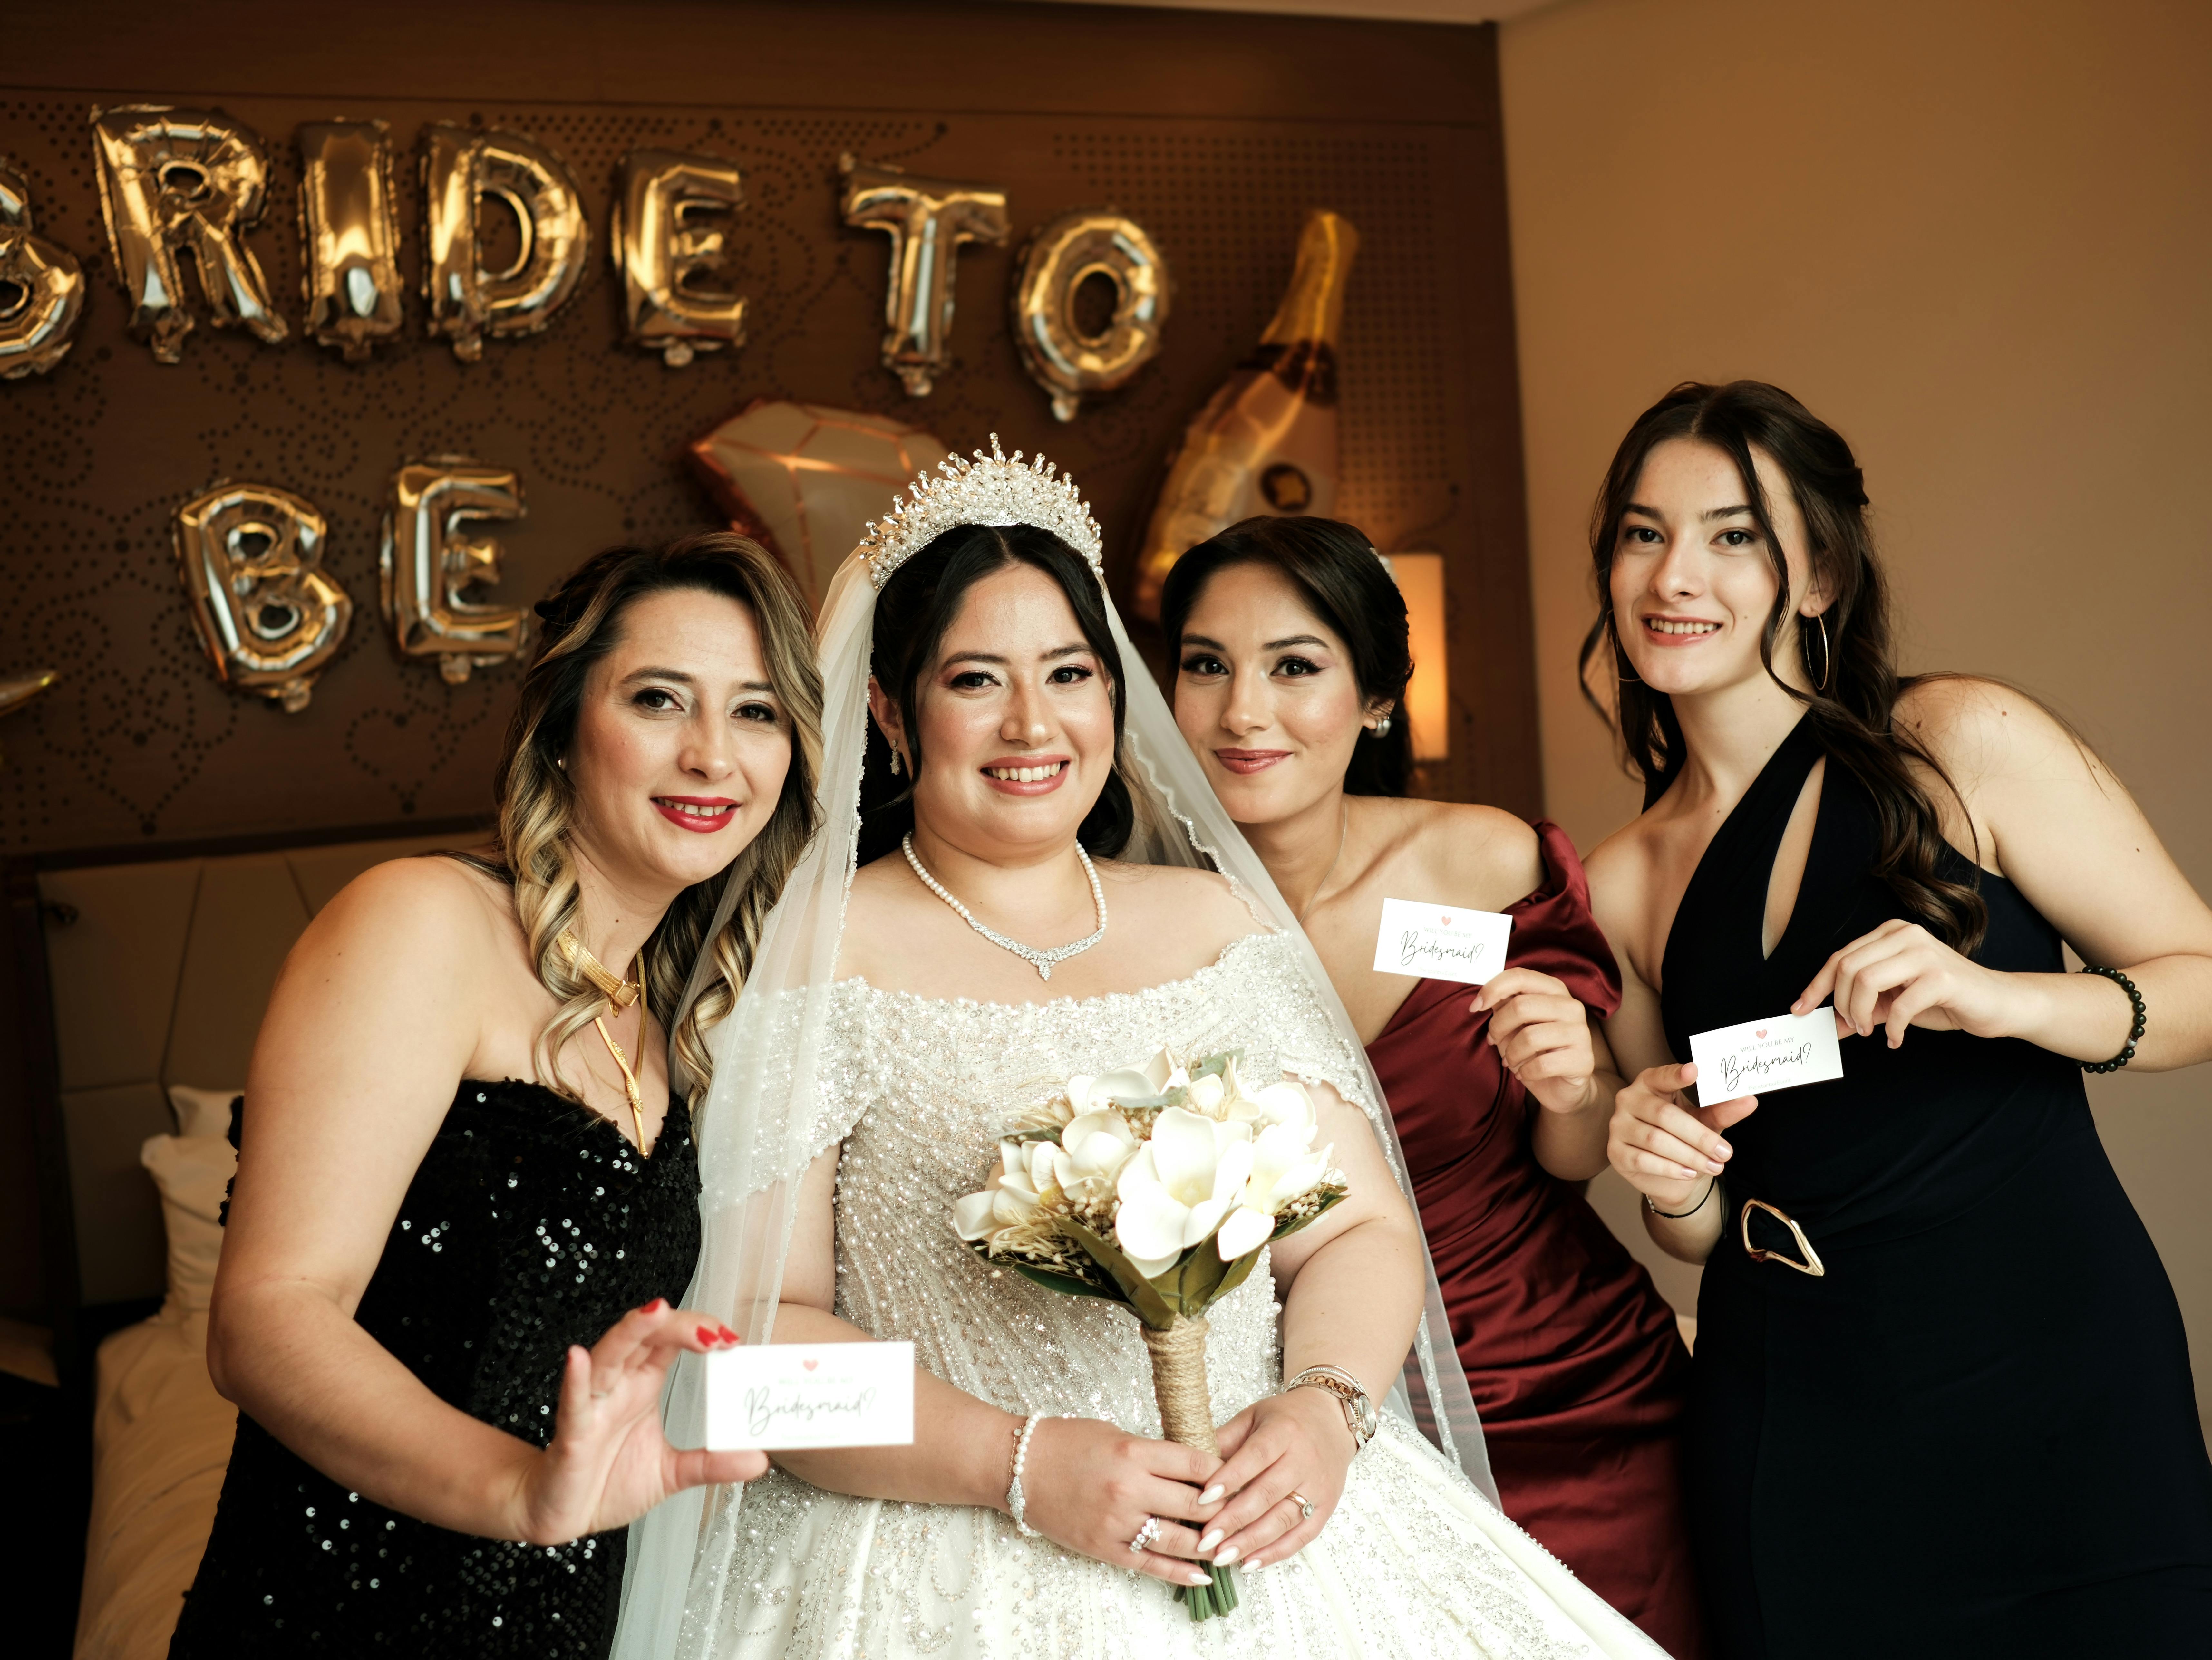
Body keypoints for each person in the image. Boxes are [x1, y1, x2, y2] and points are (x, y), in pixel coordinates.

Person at [610, 441, 1666, 1659]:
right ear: (893, 714)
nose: (1031, 724)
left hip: (1273, 1523)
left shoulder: (1219, 928)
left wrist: (1324, 1413)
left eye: (1069, 673)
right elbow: (755, 1365)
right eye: (973, 680)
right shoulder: (818, 961)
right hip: (939, 1559)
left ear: (1116, 697)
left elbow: (1363, 1232)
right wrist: (1021, 1464)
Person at [1586, 381, 2212, 1656]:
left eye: (1733, 534)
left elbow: (2202, 981)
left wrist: (2000, 999)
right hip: (1800, 1403)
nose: (1675, 574)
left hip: (2053, 1366)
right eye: (1643, 533)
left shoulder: (1960, 740)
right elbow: (1702, 1222)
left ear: (1819, 576)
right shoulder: (1623, 878)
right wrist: (1659, 1168)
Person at [170, 534, 823, 1658]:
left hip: (567, 1622)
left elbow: (722, 1369)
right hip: (348, 1613)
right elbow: (268, 1316)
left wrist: (1016, 1437)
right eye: (661, 699)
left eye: (757, 712)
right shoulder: (422, 923)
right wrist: (524, 1491)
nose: (714, 755)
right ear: (566, 728)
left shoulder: (698, 1020)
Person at [1161, 515, 1705, 1655]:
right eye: (1206, 666)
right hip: (1296, 1416)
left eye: (1294, 667)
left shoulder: (1480, 864)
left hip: (1562, 1385)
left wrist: (1573, 1084)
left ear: (1375, 699)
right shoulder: (1135, 907)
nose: (1242, 712)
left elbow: (1577, 1151)